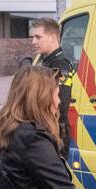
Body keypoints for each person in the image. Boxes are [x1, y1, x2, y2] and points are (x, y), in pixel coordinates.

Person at [30, 17, 75, 158]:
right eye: (33, 37)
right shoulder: (46, 62)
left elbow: (59, 104)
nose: (33, 42)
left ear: (53, 38)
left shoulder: (60, 65)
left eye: (38, 37)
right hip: (46, 132)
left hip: (54, 133)